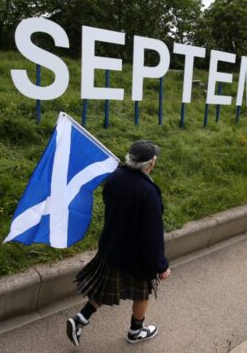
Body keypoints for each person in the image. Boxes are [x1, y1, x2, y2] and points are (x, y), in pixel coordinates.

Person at [66, 140, 171, 346]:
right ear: (151, 164)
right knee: (143, 294)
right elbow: (152, 234)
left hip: (112, 247)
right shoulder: (148, 192)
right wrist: (161, 266)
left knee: (103, 289)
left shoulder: (114, 179)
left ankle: (80, 319)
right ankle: (135, 332)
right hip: (137, 256)